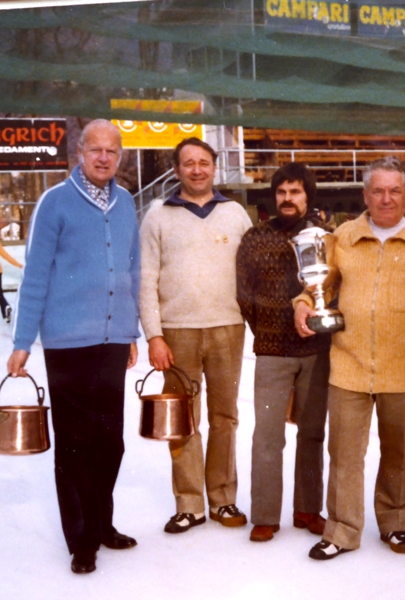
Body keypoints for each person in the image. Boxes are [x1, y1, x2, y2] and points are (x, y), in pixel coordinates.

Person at [294, 156, 405, 560]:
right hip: (348, 365)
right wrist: (302, 303)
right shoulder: (345, 236)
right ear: (365, 195)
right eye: (378, 191)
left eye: (394, 191)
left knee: (397, 451)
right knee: (344, 453)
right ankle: (342, 530)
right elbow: (320, 282)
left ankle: (396, 523)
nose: (387, 199)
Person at [6, 119, 140, 575]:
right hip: (66, 343)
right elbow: (35, 275)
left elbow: (132, 270)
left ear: (119, 157)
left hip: (113, 340)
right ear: (79, 153)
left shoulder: (126, 203)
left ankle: (101, 523)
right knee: (75, 446)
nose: (103, 157)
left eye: (112, 151)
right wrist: (23, 342)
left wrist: (131, 331)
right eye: (95, 149)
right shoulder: (55, 202)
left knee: (111, 443)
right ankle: (82, 539)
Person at [139, 137, 252, 535]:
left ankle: (222, 498)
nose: (197, 170)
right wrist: (154, 335)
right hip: (177, 332)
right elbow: (146, 279)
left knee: (225, 417)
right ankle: (189, 503)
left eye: (204, 162)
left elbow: (254, 273)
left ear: (214, 167)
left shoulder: (235, 213)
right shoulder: (158, 215)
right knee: (183, 418)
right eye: (188, 163)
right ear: (176, 170)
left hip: (227, 327)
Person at [236, 163, 330, 543]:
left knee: (312, 433)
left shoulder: (325, 237)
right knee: (267, 436)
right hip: (272, 350)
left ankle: (308, 508)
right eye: (281, 192)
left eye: (295, 192)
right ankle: (265, 514)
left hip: (316, 350)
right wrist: (267, 329)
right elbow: (244, 294)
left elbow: (334, 287)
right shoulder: (255, 238)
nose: (288, 199)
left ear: (308, 196)